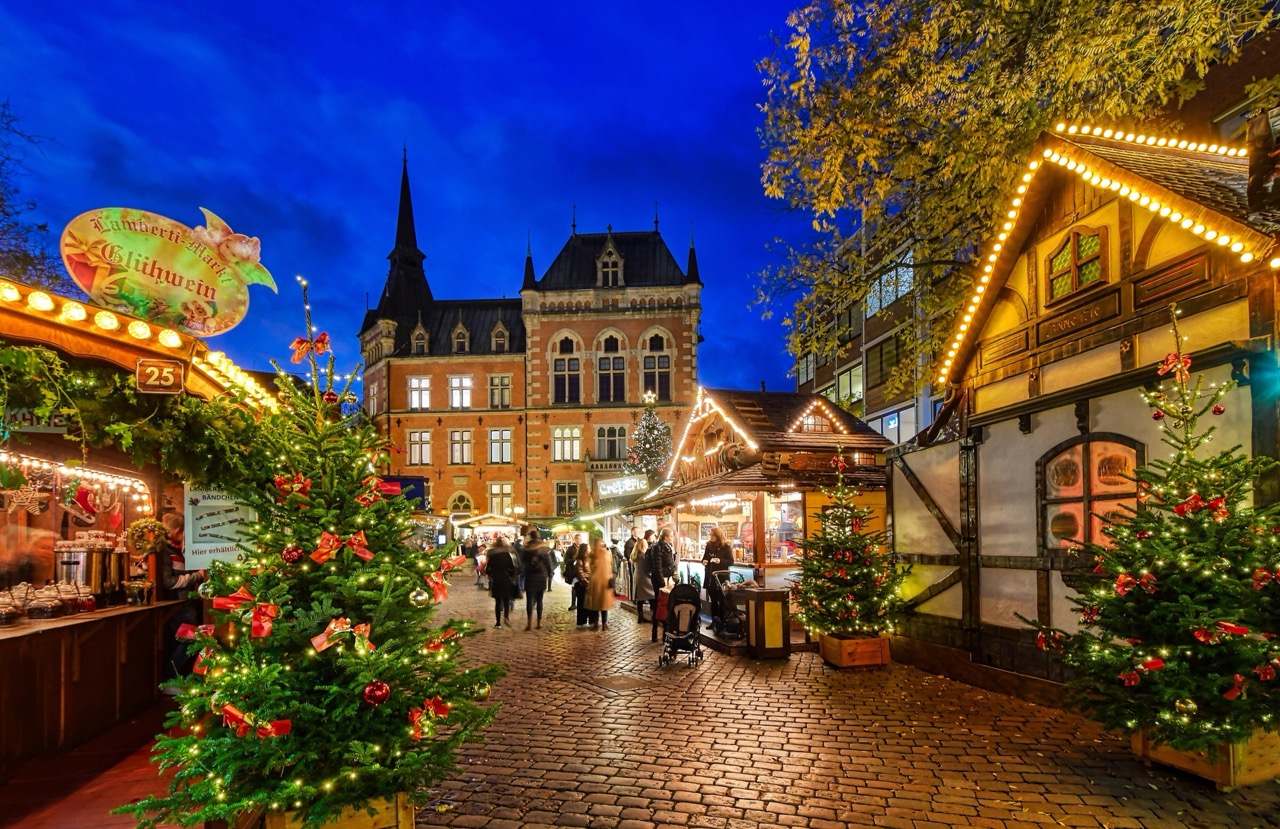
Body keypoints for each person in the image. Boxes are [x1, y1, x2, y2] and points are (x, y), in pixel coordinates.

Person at [157, 513, 208, 683]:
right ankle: (171, 678)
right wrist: (198, 576)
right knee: (189, 639)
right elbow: (168, 582)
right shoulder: (166, 552)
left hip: (183, 603)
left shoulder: (174, 550)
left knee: (186, 639)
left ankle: (174, 677)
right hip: (178, 604)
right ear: (178, 530)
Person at [645, 527, 677, 643]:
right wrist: (662, 582)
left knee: (667, 605)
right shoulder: (658, 547)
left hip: (668, 578)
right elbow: (657, 566)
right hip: (661, 579)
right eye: (671, 536)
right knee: (660, 606)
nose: (673, 538)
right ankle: (655, 633)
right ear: (666, 537)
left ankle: (665, 634)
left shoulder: (668, 546)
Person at [521, 530, 553, 630]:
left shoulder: (526, 548)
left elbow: (523, 562)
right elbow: (548, 563)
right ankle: (539, 622)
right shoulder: (544, 548)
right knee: (540, 600)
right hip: (541, 575)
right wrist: (550, 573)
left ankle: (529, 623)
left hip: (530, 576)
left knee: (529, 600)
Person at [702, 526, 734, 622]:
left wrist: (720, 560)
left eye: (712, 535)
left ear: (718, 536)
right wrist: (704, 561)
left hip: (722, 577)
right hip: (710, 577)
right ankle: (714, 622)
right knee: (713, 600)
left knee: (722, 599)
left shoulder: (726, 547)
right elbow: (704, 558)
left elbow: (731, 561)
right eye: (710, 534)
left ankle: (722, 621)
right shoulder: (708, 546)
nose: (710, 536)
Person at [583, 537, 615, 630]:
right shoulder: (607, 553)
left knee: (595, 604)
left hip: (595, 581)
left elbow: (590, 567)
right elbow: (611, 565)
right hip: (605, 581)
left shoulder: (592, 554)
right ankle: (604, 623)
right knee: (603, 603)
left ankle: (596, 623)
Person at [486, 538, 518, 628]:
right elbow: (513, 567)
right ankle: (506, 617)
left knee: (498, 602)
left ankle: (498, 623)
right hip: (506, 579)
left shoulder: (492, 555)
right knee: (506, 600)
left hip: (496, 579)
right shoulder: (508, 554)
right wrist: (511, 575)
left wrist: (491, 575)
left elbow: (487, 569)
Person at [631, 529, 654, 623]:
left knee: (640, 598)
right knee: (652, 595)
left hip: (638, 576)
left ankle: (640, 616)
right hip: (645, 578)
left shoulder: (635, 555)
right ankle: (654, 616)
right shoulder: (644, 556)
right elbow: (647, 568)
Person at [572, 547, 590, 626]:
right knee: (581, 603)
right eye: (588, 548)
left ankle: (584, 620)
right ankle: (581, 621)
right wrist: (587, 583)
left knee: (584, 603)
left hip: (584, 583)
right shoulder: (579, 561)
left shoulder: (586, 560)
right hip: (580, 584)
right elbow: (580, 575)